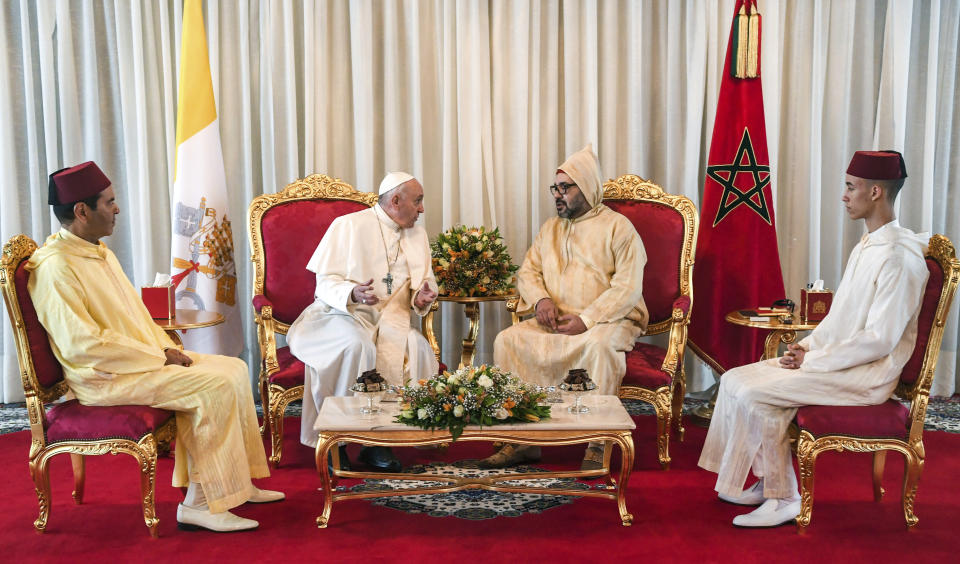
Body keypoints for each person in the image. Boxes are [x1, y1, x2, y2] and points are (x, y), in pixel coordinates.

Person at [27, 161, 282, 533]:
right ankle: (201, 504)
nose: (117, 209)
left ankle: (235, 484)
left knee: (234, 368)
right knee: (213, 386)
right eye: (109, 202)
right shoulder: (56, 268)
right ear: (82, 211)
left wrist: (164, 349)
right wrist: (159, 355)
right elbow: (83, 345)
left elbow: (137, 317)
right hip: (103, 377)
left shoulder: (96, 251)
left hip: (135, 363)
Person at [698, 150, 929, 528]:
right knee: (735, 378)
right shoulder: (868, 245)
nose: (844, 195)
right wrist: (805, 347)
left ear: (875, 192)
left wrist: (814, 361)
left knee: (758, 396)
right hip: (837, 361)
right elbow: (840, 318)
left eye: (850, 187)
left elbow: (879, 340)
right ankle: (766, 482)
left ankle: (786, 497)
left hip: (867, 375)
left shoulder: (900, 259)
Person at [483, 144, 648, 470]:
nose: (557, 195)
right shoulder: (551, 228)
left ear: (586, 187)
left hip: (608, 319)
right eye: (554, 188)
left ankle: (598, 441)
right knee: (508, 340)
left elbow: (628, 288)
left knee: (599, 348)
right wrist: (542, 300)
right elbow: (529, 271)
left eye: (565, 188)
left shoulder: (619, 228)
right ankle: (520, 440)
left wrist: (587, 320)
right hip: (556, 318)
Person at [288, 172, 439, 472]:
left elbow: (424, 283)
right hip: (342, 315)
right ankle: (338, 441)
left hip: (392, 320)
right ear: (395, 201)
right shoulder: (348, 226)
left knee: (417, 347)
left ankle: (378, 444)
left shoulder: (417, 235)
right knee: (357, 347)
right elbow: (324, 283)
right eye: (418, 201)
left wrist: (421, 299)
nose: (422, 209)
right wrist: (352, 293)